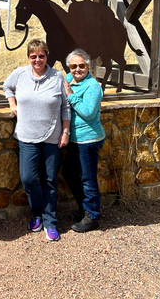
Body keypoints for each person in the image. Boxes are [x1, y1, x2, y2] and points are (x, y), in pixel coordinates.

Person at [3, 39, 70, 241]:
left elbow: (65, 107)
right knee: (28, 178)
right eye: (34, 56)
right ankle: (37, 213)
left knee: (50, 180)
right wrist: (12, 103)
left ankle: (50, 221)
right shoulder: (20, 74)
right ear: (29, 57)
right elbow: (7, 87)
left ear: (47, 56)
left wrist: (65, 132)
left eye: (41, 55)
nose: (37, 59)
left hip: (52, 136)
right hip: (26, 134)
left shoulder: (57, 76)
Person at [60, 49, 105, 233]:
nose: (77, 69)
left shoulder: (92, 86)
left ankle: (92, 216)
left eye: (81, 66)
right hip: (74, 140)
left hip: (88, 139)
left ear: (88, 66)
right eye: (73, 66)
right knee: (69, 173)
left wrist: (71, 95)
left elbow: (88, 113)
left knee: (88, 179)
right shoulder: (68, 80)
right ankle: (83, 208)